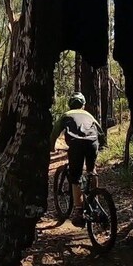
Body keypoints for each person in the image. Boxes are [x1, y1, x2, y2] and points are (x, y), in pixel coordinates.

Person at [50, 92, 104, 227]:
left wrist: (51, 147)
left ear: (70, 104)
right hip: (92, 143)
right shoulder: (89, 115)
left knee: (76, 176)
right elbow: (100, 132)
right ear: (83, 105)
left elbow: (54, 132)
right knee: (91, 169)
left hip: (76, 144)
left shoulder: (66, 115)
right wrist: (101, 145)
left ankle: (79, 211)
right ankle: (94, 198)